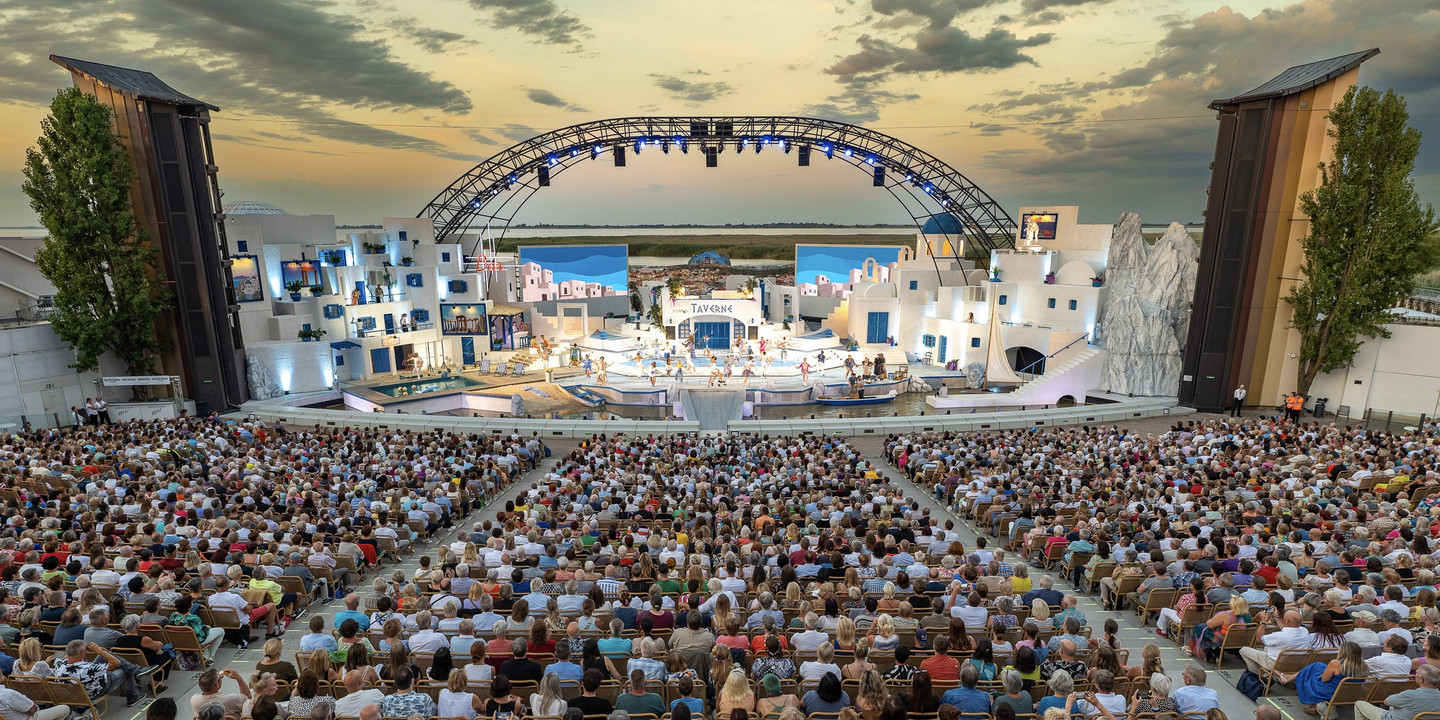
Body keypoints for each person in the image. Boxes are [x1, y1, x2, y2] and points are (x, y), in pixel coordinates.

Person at [56, 639, 156, 708]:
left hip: (77, 692)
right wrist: (98, 650)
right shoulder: (89, 668)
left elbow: (67, 657)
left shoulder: (59, 664)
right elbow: (116, 663)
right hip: (97, 689)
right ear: (82, 652)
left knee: (107, 654)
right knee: (125, 669)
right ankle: (133, 697)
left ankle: (135, 669)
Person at [1290, 641, 1368, 715]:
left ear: (1343, 652)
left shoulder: (1336, 663)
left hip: (1331, 693)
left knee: (1311, 677)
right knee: (1317, 666)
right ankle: (1314, 705)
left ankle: (1313, 704)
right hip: (1348, 694)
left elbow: (1324, 679)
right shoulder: (1364, 666)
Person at [1354, 663, 1440, 720]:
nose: (1415, 675)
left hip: (1392, 718)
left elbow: (1386, 702)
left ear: (1421, 679)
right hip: (1408, 714)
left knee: (1359, 704)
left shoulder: (1410, 695)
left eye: (1416, 673)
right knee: (1395, 705)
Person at [1241, 609, 1311, 676]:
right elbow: (1288, 630)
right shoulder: (1304, 631)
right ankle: (1272, 675)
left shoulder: (1280, 636)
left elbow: (1259, 639)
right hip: (1296, 664)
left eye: (1284, 616)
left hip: (1275, 664)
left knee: (1243, 650)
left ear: (1286, 621)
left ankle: (1261, 676)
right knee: (1266, 647)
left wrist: (1263, 622)